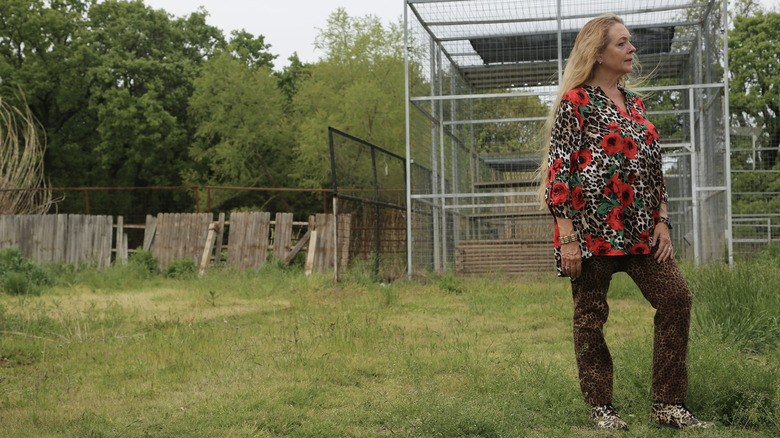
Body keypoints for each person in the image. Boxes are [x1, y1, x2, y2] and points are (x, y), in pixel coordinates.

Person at [540, 13, 714, 431]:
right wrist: (566, 237)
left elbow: (654, 168)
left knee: (676, 299)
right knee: (589, 317)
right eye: (622, 43)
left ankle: (668, 405)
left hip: (641, 230)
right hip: (590, 232)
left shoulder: (636, 103)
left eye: (630, 42)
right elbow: (558, 170)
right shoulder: (575, 102)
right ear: (598, 54)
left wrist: (663, 220)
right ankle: (601, 407)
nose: (632, 48)